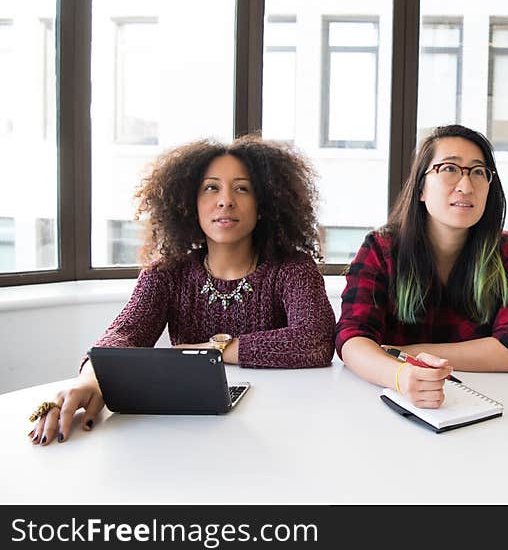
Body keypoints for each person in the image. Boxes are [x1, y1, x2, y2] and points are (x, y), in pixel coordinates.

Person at [29, 135, 336, 446]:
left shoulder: (293, 268)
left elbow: (316, 340)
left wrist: (210, 351)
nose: (225, 200)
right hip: (188, 430)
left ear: (264, 205)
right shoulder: (167, 273)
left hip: (278, 427)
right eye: (211, 188)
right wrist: (89, 381)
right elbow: (125, 334)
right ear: (190, 204)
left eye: (242, 188)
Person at [335, 125, 508, 408]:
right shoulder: (381, 248)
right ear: (420, 187)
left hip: (478, 405)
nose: (466, 186)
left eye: (478, 172)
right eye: (449, 169)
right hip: (389, 401)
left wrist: (409, 354)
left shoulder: (506, 252)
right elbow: (352, 338)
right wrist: (401, 376)